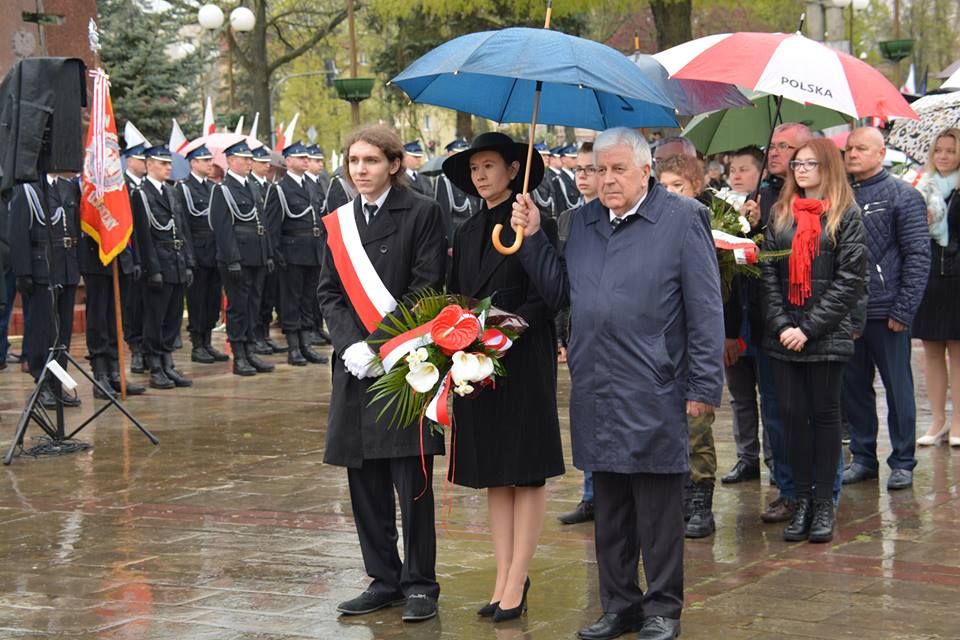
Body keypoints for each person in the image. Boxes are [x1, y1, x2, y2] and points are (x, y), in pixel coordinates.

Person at [511, 127, 724, 640]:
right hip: (597, 384)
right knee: (609, 508)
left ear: (645, 171)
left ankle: (662, 609)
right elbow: (564, 290)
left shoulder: (683, 220)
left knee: (657, 508)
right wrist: (535, 235)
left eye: (617, 169)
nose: (606, 179)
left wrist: (703, 387)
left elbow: (706, 308)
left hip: (656, 383)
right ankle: (619, 604)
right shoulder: (580, 222)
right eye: (598, 169)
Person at [317, 124, 447, 623]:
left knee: (410, 480)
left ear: (394, 163)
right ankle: (383, 577)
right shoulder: (339, 223)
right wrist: (351, 344)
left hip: (405, 364)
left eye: (371, 161)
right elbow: (328, 291)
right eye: (354, 162)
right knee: (363, 479)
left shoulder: (422, 214)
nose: (361, 170)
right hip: (354, 368)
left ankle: (419, 582)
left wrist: (380, 344)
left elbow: (426, 288)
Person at [442, 132, 565, 622]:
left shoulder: (536, 221)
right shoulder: (467, 231)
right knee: (495, 470)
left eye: (489, 165)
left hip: (522, 357)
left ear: (514, 170)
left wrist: (509, 329)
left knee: (525, 469)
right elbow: (454, 295)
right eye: (474, 169)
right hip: (476, 361)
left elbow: (551, 293)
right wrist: (458, 336)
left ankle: (518, 577)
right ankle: (503, 575)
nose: (480, 175)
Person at [761, 139, 867, 544]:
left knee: (824, 420)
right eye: (797, 163)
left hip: (825, 336)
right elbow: (768, 277)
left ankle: (824, 502)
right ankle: (801, 499)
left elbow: (848, 283)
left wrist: (808, 329)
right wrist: (783, 325)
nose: (801, 170)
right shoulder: (781, 214)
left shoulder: (846, 216)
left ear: (828, 167)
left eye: (810, 163)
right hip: (785, 337)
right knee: (791, 419)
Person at [842, 127, 930, 491]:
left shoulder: (903, 195)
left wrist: (904, 309)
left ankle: (903, 460)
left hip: (887, 309)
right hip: (848, 311)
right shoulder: (839, 193)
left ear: (881, 153)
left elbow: (917, 255)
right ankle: (863, 457)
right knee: (853, 388)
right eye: (849, 149)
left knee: (898, 389)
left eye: (861, 148)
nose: (852, 154)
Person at [744, 123, 816, 524]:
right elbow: (757, 264)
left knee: (814, 413)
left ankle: (818, 493)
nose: (773, 152)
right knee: (776, 411)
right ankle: (788, 490)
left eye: (783, 146)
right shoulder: (763, 196)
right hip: (768, 322)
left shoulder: (825, 200)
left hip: (811, 322)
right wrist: (749, 226)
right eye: (770, 145)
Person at [718, 147, 771, 484]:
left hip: (764, 319)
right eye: (732, 169)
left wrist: (756, 227)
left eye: (744, 169)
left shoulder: (771, 208)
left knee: (771, 396)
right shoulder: (721, 212)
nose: (736, 175)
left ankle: (775, 459)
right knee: (740, 396)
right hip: (734, 318)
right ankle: (746, 457)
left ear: (760, 173)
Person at [9, 174, 83, 408]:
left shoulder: (67, 186)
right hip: (42, 269)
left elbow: (75, 227)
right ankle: (41, 384)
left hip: (67, 266)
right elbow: (18, 233)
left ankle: (57, 382)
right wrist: (23, 272)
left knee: (63, 332)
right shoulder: (28, 190)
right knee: (43, 330)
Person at [556, 142, 598, 527]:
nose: (583, 177)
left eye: (591, 169)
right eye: (579, 170)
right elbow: (561, 284)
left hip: (611, 331)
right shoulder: (568, 219)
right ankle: (590, 494)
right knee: (584, 413)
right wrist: (560, 336)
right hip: (578, 330)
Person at [209, 140, 276, 377]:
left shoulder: (253, 187)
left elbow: (263, 223)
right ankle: (239, 355)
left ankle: (250, 350)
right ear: (229, 161)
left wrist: (267, 253)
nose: (249, 162)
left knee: (253, 306)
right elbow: (223, 229)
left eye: (250, 159)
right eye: (243, 158)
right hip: (237, 258)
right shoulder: (223, 189)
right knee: (238, 308)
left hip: (256, 255)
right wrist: (232, 259)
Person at [131, 145, 195, 390]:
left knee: (172, 317)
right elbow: (143, 236)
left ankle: (168, 362)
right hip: (158, 262)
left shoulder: (172, 192)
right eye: (163, 163)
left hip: (176, 261)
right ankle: (155, 365)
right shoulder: (141, 194)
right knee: (155, 318)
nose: (169, 167)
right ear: (149, 165)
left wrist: (189, 262)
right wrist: (152, 268)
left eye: (169, 164)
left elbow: (183, 227)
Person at [912, 128, 960, 447]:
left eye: (950, 151)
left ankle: (958, 422)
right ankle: (938, 421)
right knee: (931, 350)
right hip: (928, 274)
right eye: (938, 150)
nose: (943, 156)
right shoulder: (921, 186)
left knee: (957, 351)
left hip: (957, 276)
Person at [263, 140, 329, 366]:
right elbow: (272, 226)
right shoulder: (280, 189)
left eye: (306, 158)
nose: (306, 161)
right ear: (288, 161)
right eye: (301, 158)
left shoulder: (311, 186)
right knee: (291, 300)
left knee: (308, 299)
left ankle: (306, 343)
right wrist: (277, 254)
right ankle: (294, 347)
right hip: (291, 252)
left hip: (312, 250)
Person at [177, 144, 228, 365]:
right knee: (197, 300)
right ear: (193, 163)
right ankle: (197, 343)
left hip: (214, 251)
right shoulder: (184, 188)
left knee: (212, 299)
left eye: (210, 160)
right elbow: (184, 225)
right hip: (197, 251)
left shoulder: (213, 187)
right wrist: (189, 256)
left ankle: (207, 341)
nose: (210, 164)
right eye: (205, 160)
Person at [249, 145, 283, 356]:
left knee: (267, 296)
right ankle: (255, 336)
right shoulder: (251, 186)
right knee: (256, 297)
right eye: (261, 162)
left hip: (268, 250)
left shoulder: (269, 186)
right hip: (255, 250)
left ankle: (264, 333)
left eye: (267, 163)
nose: (266, 166)